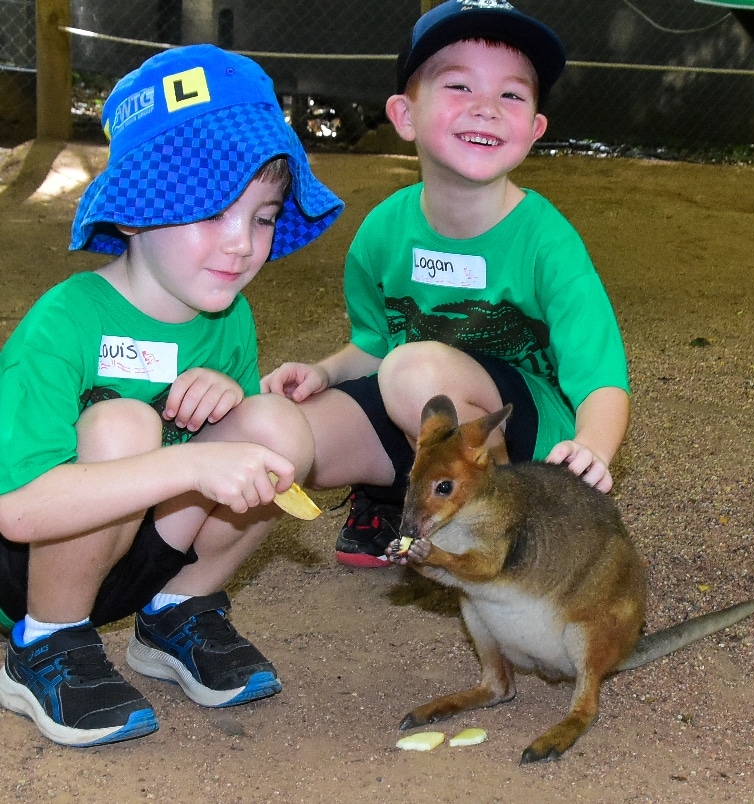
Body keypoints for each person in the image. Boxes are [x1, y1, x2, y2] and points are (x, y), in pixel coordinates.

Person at [0, 44, 343, 747]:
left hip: (141, 555)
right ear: (133, 212)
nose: (242, 245)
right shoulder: (67, 320)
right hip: (31, 564)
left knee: (277, 428)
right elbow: (20, 510)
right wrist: (189, 464)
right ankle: (46, 644)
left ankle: (173, 615)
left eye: (262, 216)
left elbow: (233, 464)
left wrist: (228, 401)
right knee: (121, 423)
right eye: (210, 211)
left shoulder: (228, 318)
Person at [262, 0, 630, 568]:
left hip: (521, 437)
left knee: (414, 371)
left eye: (511, 94)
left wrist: (593, 449)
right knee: (278, 434)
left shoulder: (547, 241)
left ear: (534, 129)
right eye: (459, 86)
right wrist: (325, 372)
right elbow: (373, 344)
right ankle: (394, 496)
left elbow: (601, 378)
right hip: (417, 416)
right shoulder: (383, 231)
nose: (486, 108)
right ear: (404, 115)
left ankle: (510, 523)